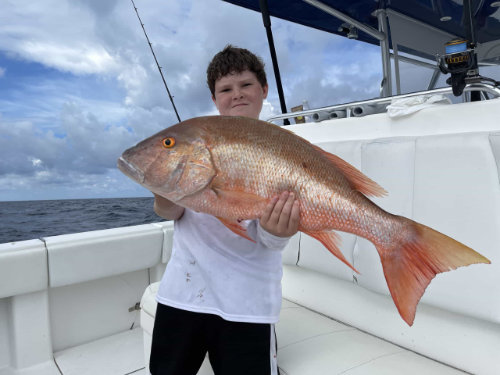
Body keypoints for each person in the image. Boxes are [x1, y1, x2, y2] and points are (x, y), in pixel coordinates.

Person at [149, 45, 300, 375]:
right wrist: (165, 188)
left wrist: (278, 230)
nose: (237, 94)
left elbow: (271, 242)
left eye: (246, 85)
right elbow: (169, 212)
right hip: (183, 293)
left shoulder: (286, 151)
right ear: (215, 98)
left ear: (263, 90)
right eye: (225, 89)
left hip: (247, 300)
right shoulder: (196, 143)